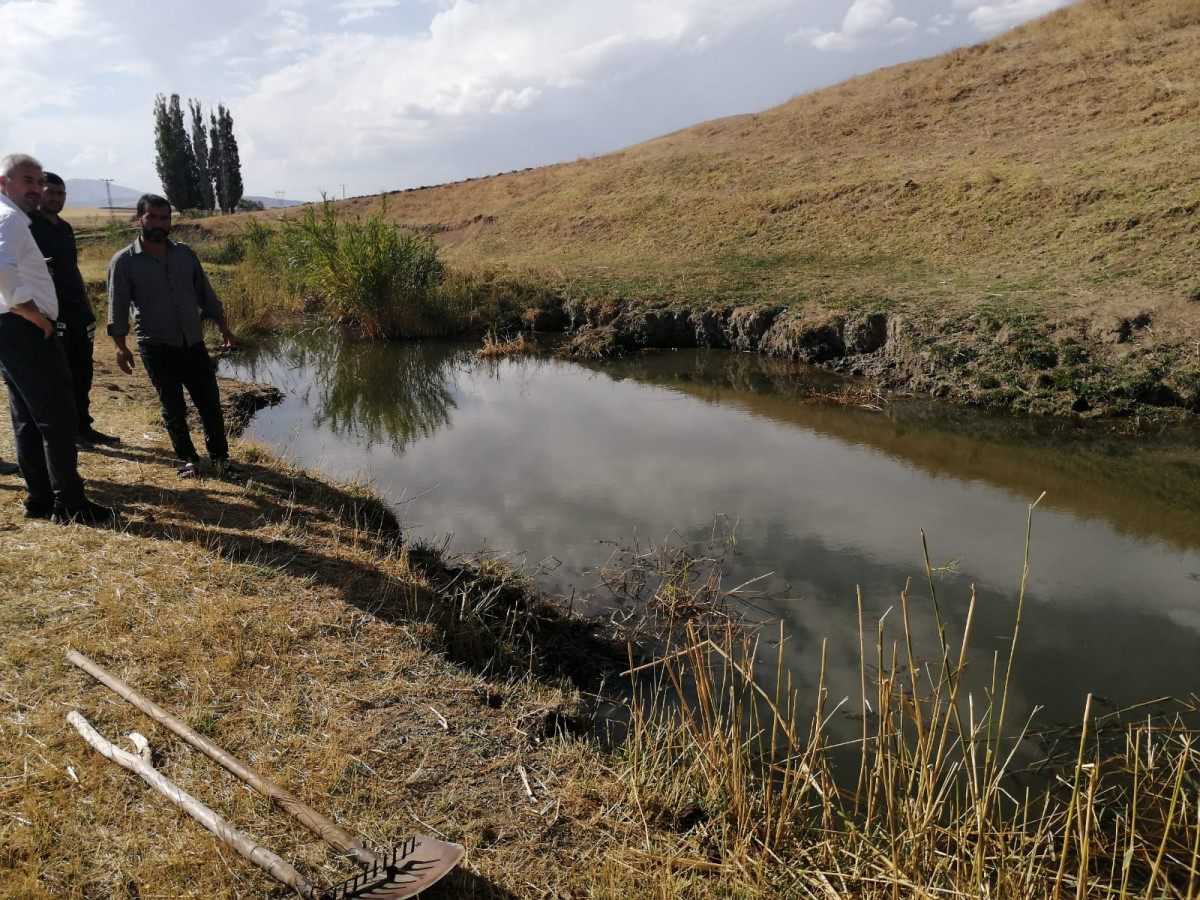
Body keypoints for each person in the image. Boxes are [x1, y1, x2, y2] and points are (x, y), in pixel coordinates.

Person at [0, 153, 113, 524]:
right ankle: (70, 504)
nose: (34, 188)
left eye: (37, 181)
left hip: (11, 328)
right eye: (26, 180)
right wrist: (31, 311)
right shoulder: (11, 218)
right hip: (24, 328)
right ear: (5, 183)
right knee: (57, 417)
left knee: (28, 418)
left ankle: (40, 500)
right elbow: (0, 266)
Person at [107, 193, 240, 479]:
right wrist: (120, 346)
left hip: (193, 343)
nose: (158, 222)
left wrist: (224, 328)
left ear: (170, 221)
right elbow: (116, 306)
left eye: (164, 217)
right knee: (174, 408)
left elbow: (206, 295)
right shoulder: (124, 262)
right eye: (151, 216)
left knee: (209, 404)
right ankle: (190, 460)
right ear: (139, 219)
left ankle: (220, 459)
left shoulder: (185, 254)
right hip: (156, 347)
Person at [29, 172, 121, 448]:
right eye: (51, 192)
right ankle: (66, 433)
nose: (56, 198)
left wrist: (87, 307)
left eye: (61, 193)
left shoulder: (65, 227)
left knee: (83, 372)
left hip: (77, 310)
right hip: (50, 313)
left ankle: (84, 427)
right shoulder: (29, 226)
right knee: (60, 375)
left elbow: (72, 270)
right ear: (39, 193)